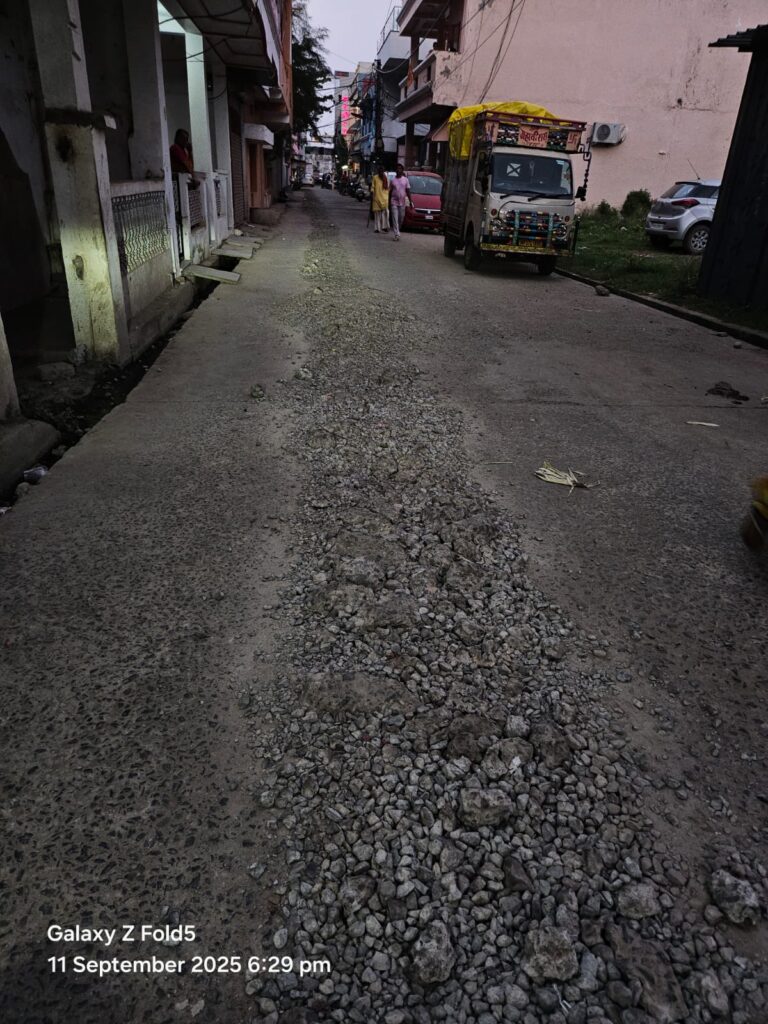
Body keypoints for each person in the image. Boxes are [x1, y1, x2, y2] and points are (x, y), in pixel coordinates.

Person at [389, 164, 413, 240]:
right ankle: (396, 234)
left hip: (402, 202)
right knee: (395, 218)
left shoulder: (405, 180)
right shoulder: (393, 180)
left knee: (401, 218)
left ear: (402, 170)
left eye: (400, 169)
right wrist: (388, 202)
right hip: (394, 202)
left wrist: (411, 201)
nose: (398, 170)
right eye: (397, 168)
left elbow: (408, 191)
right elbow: (390, 191)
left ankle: (398, 229)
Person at [371, 166, 390, 233]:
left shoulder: (386, 178)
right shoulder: (375, 177)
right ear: (378, 171)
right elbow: (373, 187)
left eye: (382, 171)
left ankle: (384, 227)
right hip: (376, 198)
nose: (381, 172)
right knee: (377, 214)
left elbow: (388, 188)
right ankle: (377, 228)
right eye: (380, 171)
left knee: (386, 213)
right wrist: (372, 192)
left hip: (385, 198)